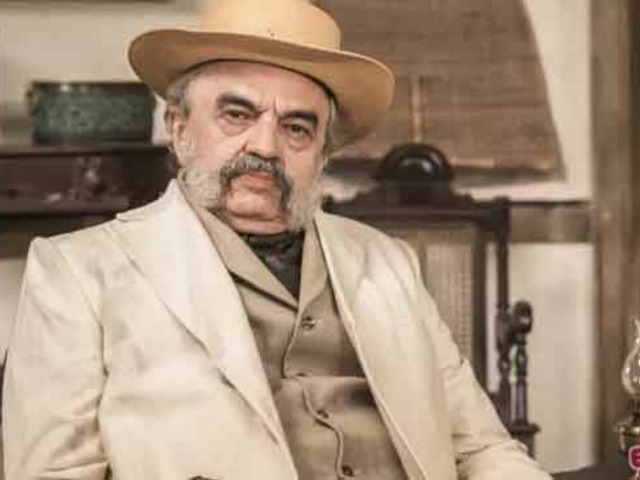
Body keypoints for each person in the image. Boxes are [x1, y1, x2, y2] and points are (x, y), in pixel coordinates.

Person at [2, 1, 552, 479]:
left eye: (296, 128)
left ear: (322, 154)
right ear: (178, 128)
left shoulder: (389, 262)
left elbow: (483, 450)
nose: (265, 146)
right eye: (236, 115)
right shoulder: (78, 272)